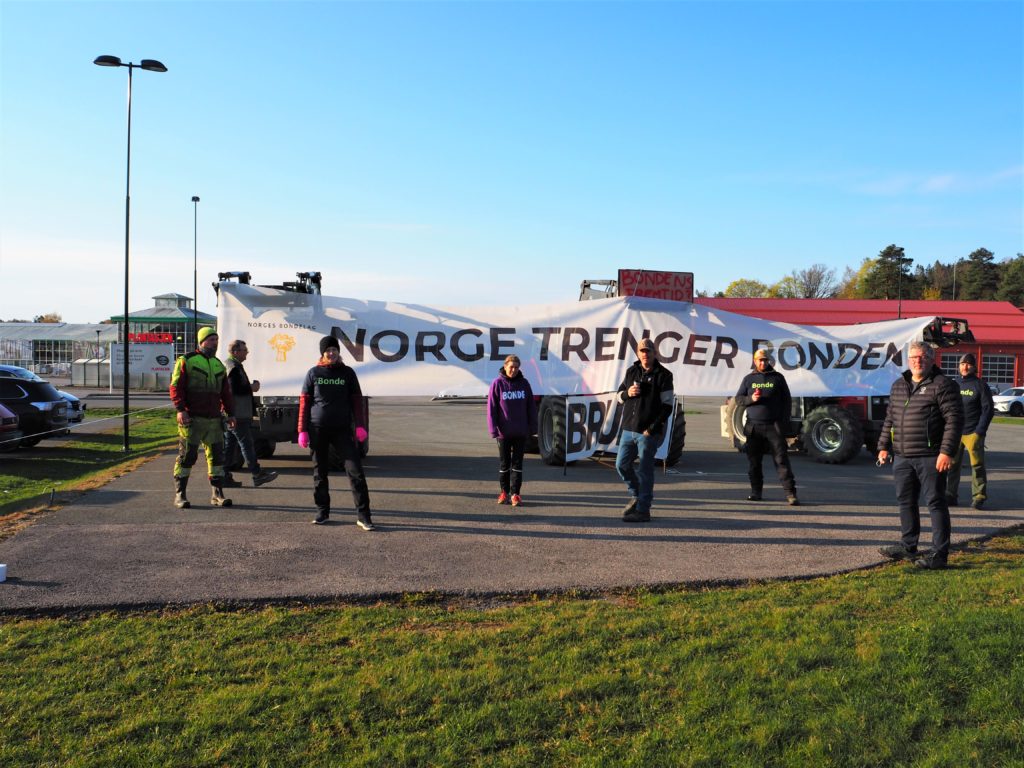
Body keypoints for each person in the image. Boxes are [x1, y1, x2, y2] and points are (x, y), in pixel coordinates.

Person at [876, 341, 963, 570]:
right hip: (903, 456)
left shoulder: (943, 385)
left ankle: (939, 554)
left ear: (932, 359)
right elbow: (890, 419)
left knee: (935, 503)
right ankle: (908, 545)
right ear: (908, 360)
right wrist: (883, 446)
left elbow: (954, 421)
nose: (917, 361)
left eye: (922, 357)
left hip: (930, 456)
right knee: (905, 501)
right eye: (913, 357)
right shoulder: (898, 385)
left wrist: (946, 452)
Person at [297, 335, 373, 529]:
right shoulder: (313, 373)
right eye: (328, 350)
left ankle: (363, 516)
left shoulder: (347, 373)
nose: (331, 353)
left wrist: (361, 426)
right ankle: (322, 512)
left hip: (342, 430)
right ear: (323, 353)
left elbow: (357, 400)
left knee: (355, 472)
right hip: (318, 429)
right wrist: (302, 430)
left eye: (335, 350)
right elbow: (305, 403)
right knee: (319, 473)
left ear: (339, 353)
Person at [169, 327, 236, 509]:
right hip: (192, 419)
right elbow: (176, 386)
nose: (215, 342)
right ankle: (180, 495)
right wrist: (181, 409)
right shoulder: (187, 361)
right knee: (187, 457)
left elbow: (226, 393)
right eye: (211, 339)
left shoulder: (218, 364)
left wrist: (230, 413)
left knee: (217, 459)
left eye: (216, 339)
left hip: (214, 420)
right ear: (201, 342)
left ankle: (217, 495)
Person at [615, 337, 674, 523]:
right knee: (621, 465)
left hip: (647, 433)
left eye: (648, 350)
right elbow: (618, 396)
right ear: (638, 353)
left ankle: (643, 510)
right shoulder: (631, 371)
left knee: (645, 471)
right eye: (642, 351)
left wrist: (652, 429)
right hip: (628, 429)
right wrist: (627, 394)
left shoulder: (664, 375)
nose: (645, 354)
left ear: (654, 352)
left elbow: (667, 406)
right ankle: (637, 494)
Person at [734, 348, 799, 505]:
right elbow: (738, 399)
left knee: (781, 460)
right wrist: (751, 398)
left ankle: (790, 494)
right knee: (754, 463)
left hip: (773, 427)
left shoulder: (778, 378)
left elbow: (787, 401)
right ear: (755, 361)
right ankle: (756, 492)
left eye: (765, 360)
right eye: (760, 360)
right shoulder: (749, 379)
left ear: (769, 361)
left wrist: (783, 422)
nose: (763, 363)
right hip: (754, 427)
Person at [221, 339, 278, 488]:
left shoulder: (232, 365)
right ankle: (257, 474)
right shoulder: (233, 367)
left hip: (232, 413)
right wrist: (252, 387)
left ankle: (223, 475)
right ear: (235, 352)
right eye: (244, 350)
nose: (247, 352)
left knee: (229, 446)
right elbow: (233, 389)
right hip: (237, 414)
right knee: (246, 444)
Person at [487, 354, 538, 507]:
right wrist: (493, 429)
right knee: (504, 464)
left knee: (517, 464)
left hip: (520, 432)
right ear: (505, 366)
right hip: (503, 433)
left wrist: (532, 427)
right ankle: (504, 492)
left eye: (516, 367)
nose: (514, 370)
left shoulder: (524, 384)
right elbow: (492, 409)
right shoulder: (497, 384)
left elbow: (531, 407)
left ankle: (515, 494)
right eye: (511, 367)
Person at [946, 353, 993, 510]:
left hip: (973, 432)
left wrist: (980, 431)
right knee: (951, 465)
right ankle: (950, 495)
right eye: (962, 364)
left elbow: (988, 410)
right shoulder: (953, 384)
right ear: (958, 366)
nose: (964, 367)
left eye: (968, 364)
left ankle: (979, 496)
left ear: (974, 367)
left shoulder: (980, 385)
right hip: (955, 432)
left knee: (977, 466)